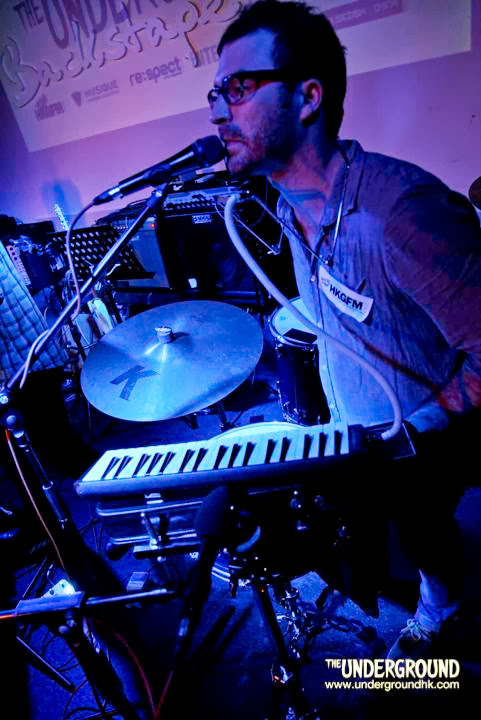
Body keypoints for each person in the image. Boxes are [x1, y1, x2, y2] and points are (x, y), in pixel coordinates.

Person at [208, 0, 481, 659]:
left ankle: (443, 611)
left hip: (427, 437)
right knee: (386, 531)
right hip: (365, 428)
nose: (217, 112)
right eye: (215, 93)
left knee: (424, 529)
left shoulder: (401, 213)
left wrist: (414, 430)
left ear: (308, 97)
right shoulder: (285, 208)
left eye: (238, 88)